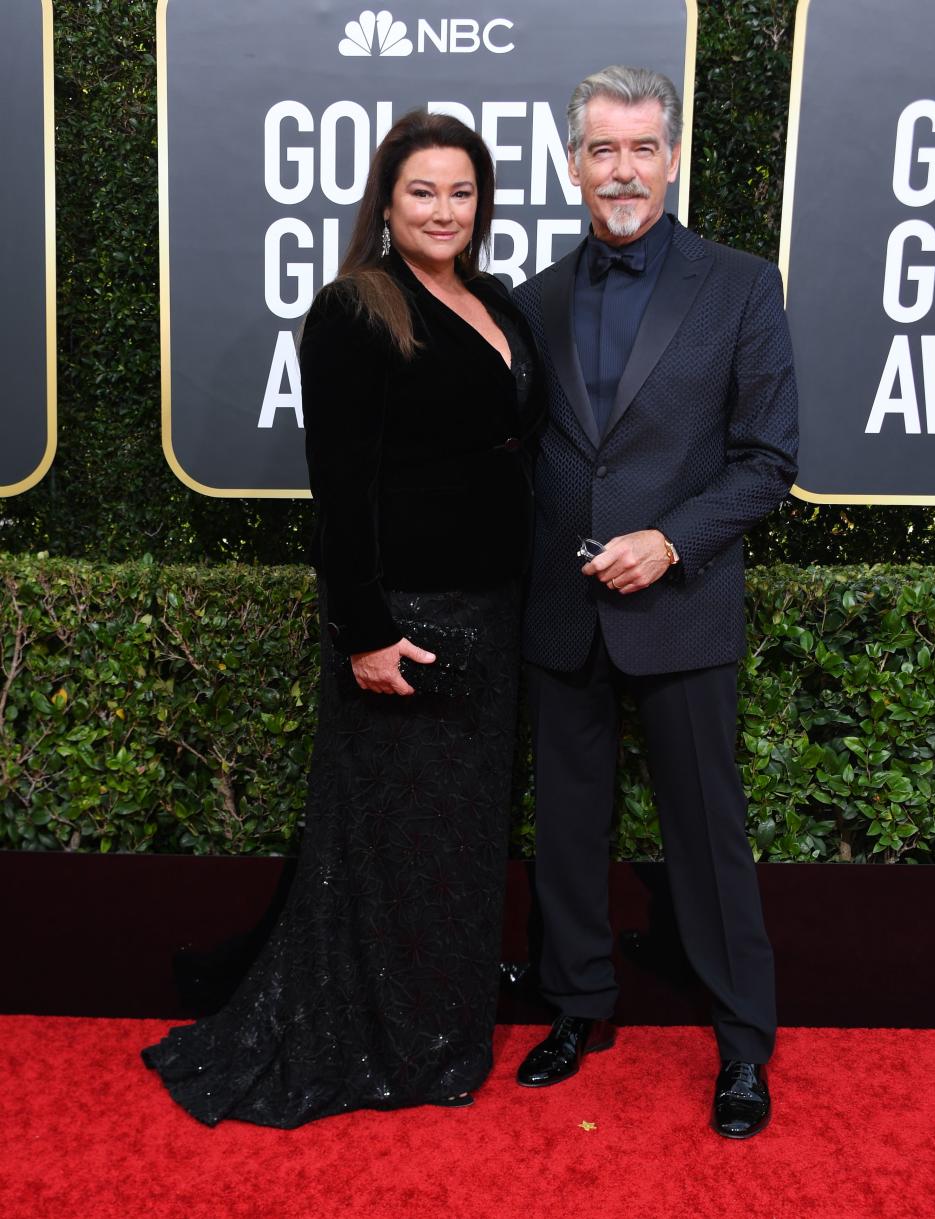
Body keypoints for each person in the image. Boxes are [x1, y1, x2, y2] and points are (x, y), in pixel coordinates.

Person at [143, 111, 542, 1124]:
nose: (444, 209)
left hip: (493, 614)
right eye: (423, 192)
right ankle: (377, 1040)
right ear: (388, 202)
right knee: (390, 843)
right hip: (405, 621)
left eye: (461, 191)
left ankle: (439, 1028)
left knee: (456, 845)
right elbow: (342, 486)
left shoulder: (492, 297)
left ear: (481, 202)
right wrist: (362, 630)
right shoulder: (357, 308)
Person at [510, 65, 799, 1139]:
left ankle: (742, 1046)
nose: (621, 169)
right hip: (559, 611)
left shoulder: (739, 286)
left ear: (672, 159)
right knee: (569, 826)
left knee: (708, 837)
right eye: (601, 149)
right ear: (571, 163)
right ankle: (579, 1003)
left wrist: (670, 540)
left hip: (681, 608)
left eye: (641, 148)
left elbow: (770, 460)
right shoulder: (532, 299)